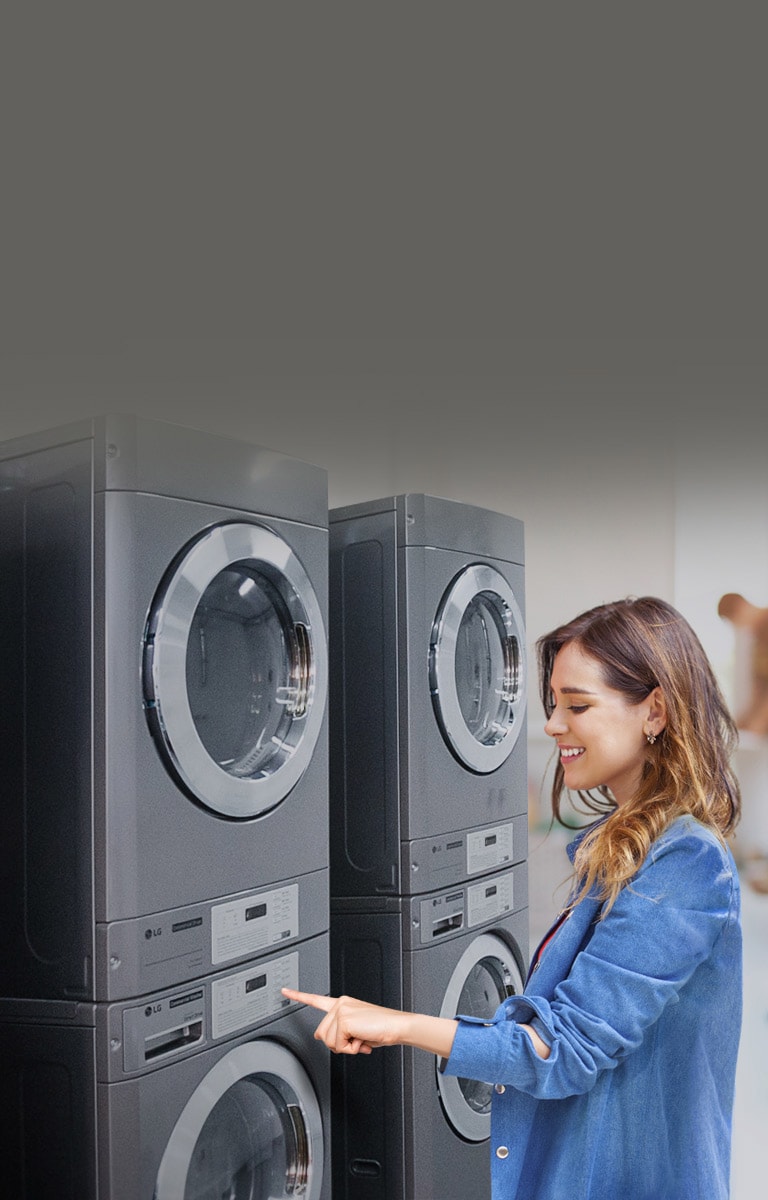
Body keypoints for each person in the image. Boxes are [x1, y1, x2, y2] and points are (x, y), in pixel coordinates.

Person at [284, 596, 742, 1199]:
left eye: (577, 705)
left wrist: (401, 1026)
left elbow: (561, 1049)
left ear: (654, 710)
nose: (553, 725)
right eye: (554, 704)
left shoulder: (685, 863)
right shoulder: (627, 850)